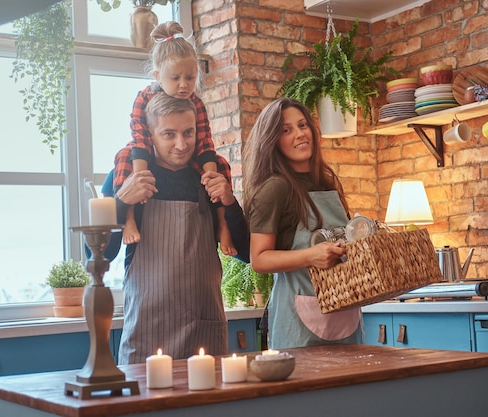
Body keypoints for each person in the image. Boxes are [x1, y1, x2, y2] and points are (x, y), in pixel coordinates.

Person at [114, 92, 249, 364]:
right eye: (168, 134)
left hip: (203, 331)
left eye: (188, 132)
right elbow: (100, 254)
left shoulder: (208, 177)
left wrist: (230, 202)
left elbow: (246, 252)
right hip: (146, 335)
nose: (181, 144)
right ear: (150, 135)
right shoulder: (131, 174)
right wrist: (120, 202)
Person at [242, 97, 363, 349]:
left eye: (302, 125)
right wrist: (311, 256)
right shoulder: (275, 189)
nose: (299, 134)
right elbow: (259, 259)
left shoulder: (326, 181)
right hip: (299, 320)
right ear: (272, 140)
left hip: (346, 314)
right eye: (286, 130)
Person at [113, 20, 236, 256]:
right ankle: (129, 219)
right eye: (176, 78)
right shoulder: (144, 98)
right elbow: (139, 138)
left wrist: (212, 179)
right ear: (158, 75)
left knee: (220, 166)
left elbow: (205, 143)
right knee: (124, 156)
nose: (183, 85)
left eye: (190, 78)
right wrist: (137, 181)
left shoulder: (197, 102)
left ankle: (222, 225)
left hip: (203, 289)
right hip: (143, 156)